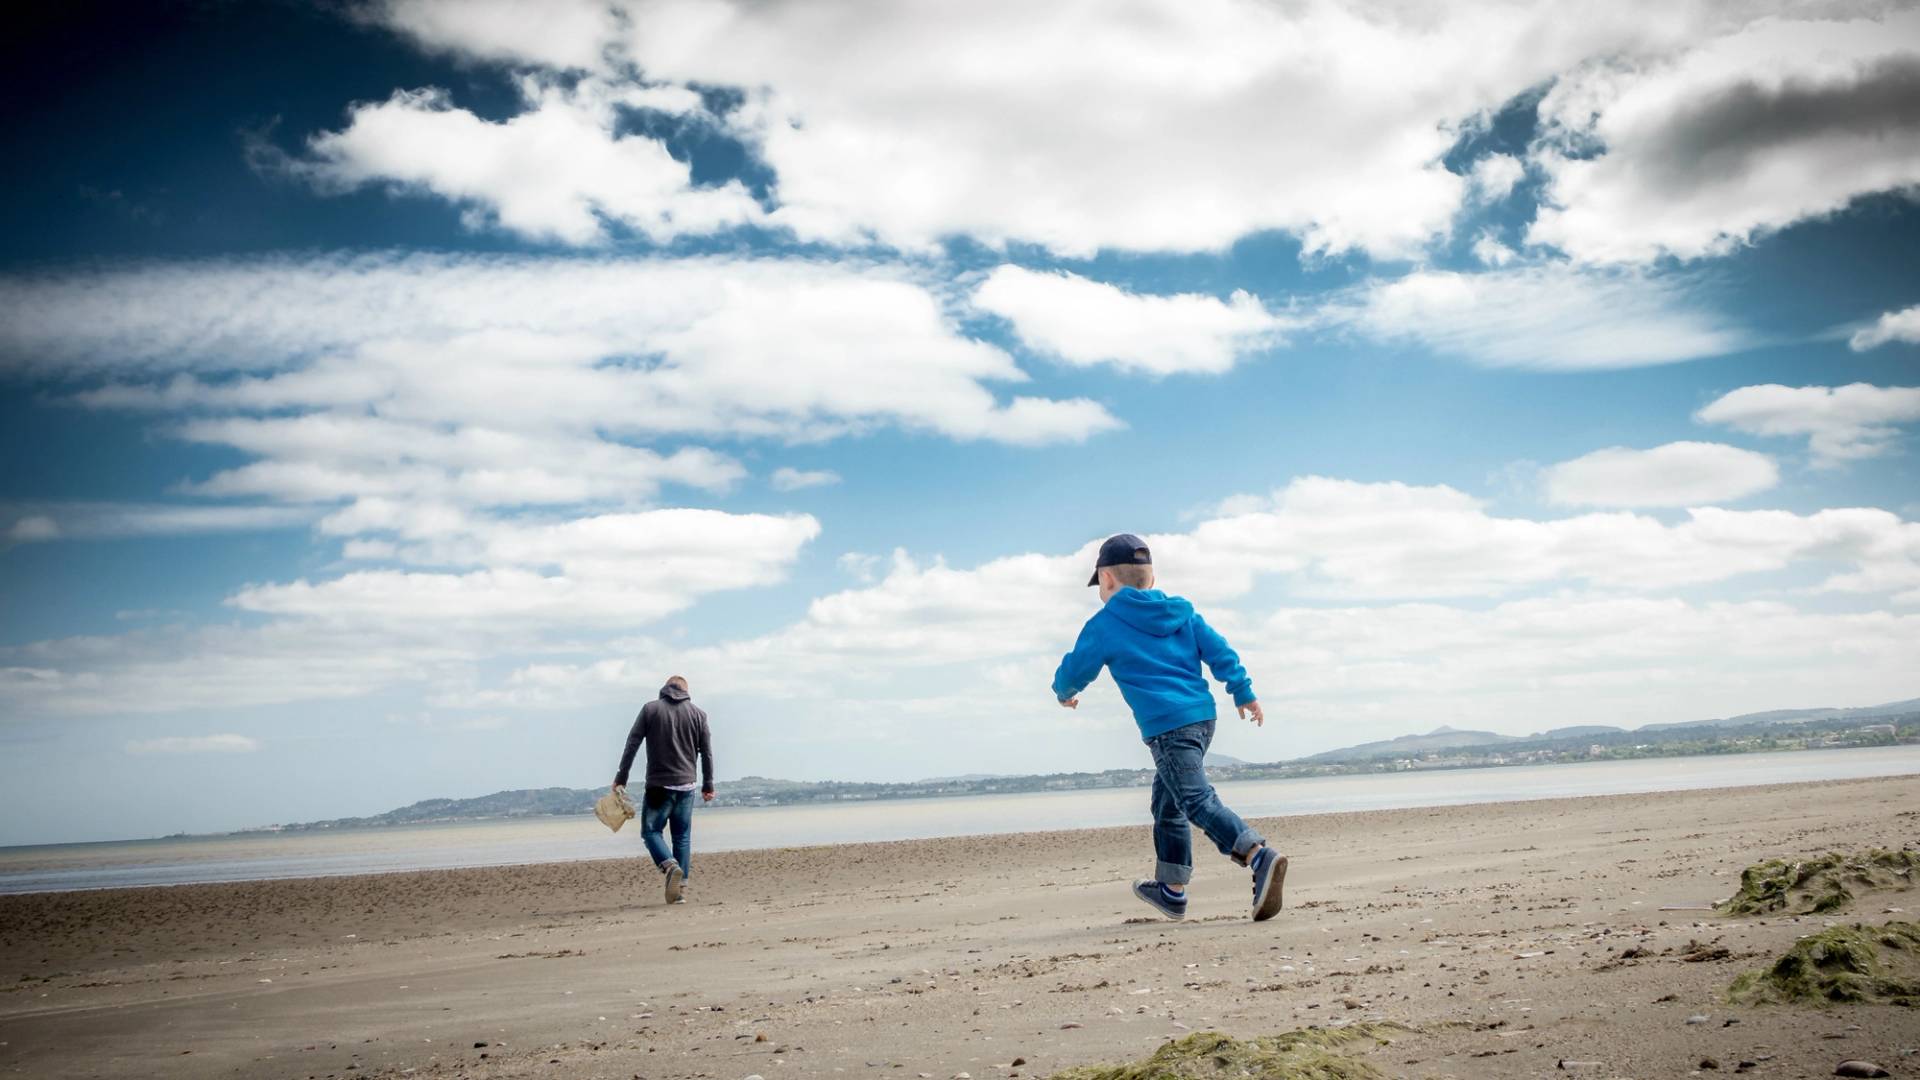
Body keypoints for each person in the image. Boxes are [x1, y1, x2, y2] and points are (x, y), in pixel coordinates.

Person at [1051, 534, 1287, 922]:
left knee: (1194, 800)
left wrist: (1064, 692)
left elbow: (1076, 669)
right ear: (1153, 577)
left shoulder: (1105, 624)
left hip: (1168, 728)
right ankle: (1172, 890)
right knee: (1168, 802)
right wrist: (1242, 691)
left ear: (1106, 580)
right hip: (1202, 719)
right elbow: (1220, 652)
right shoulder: (1184, 614)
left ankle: (1257, 855)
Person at [612, 676, 715, 905]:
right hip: (687, 785)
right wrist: (708, 784)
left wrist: (621, 777)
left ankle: (669, 865)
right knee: (682, 836)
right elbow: (706, 752)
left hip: (659, 784)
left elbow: (632, 743)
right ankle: (679, 890)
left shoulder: (650, 709)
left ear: (665, 689)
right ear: (686, 691)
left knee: (650, 831)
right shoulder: (698, 714)